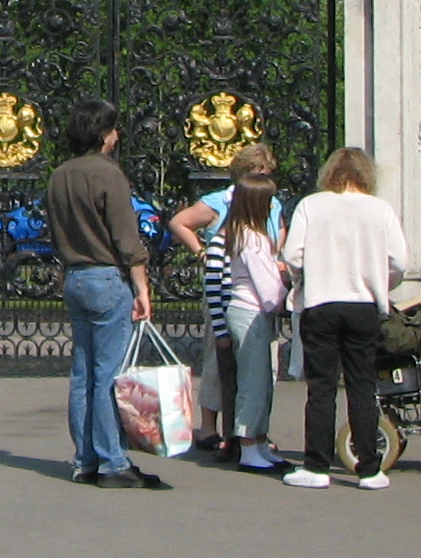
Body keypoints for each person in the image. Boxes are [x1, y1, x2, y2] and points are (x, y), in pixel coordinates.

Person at [45, 97, 166, 489]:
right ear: (103, 134)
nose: (117, 136)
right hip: (107, 277)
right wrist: (142, 287)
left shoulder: (59, 175)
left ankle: (86, 459)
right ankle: (113, 461)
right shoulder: (108, 174)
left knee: (82, 373)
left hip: (75, 276)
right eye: (113, 129)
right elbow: (126, 238)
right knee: (109, 374)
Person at [276, 147, 408, 490]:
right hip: (363, 304)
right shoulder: (380, 210)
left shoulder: (311, 205)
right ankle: (369, 468)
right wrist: (380, 282)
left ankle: (317, 465)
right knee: (362, 385)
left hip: (321, 302)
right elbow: (399, 261)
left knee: (321, 387)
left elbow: (292, 255)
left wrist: (305, 278)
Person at [169, 142, 281, 450]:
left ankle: (252, 429)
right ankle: (211, 427)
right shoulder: (220, 203)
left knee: (260, 369)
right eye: (260, 171)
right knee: (218, 361)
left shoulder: (272, 203)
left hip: (257, 291)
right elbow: (179, 222)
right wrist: (201, 252)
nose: (266, 177)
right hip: (227, 291)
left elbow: (278, 234)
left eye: (268, 172)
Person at [207, 172, 290, 472]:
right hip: (250, 312)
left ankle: (258, 442)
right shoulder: (252, 238)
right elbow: (267, 287)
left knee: (261, 381)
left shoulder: (241, 234)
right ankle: (248, 445)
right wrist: (286, 297)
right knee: (254, 383)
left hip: (246, 311)